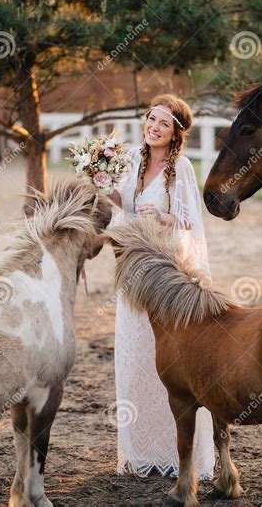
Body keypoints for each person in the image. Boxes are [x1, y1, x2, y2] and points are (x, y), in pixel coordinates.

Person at [108, 94, 215, 479]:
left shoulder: (181, 167)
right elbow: (124, 203)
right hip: (133, 272)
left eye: (163, 123)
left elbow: (189, 222)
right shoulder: (132, 160)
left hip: (164, 273)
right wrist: (102, 181)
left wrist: (166, 216)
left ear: (175, 134)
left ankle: (178, 454)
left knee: (169, 358)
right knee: (136, 356)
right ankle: (141, 453)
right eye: (151, 119)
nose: (153, 127)